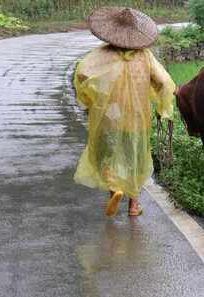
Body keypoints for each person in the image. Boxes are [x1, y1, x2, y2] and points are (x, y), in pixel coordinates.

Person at [74, 7, 176, 217]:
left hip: (109, 118)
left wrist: (92, 97)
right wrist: (162, 106)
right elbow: (165, 83)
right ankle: (133, 205)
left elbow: (82, 75)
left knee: (108, 156)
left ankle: (115, 188)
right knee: (134, 159)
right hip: (137, 119)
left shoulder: (101, 55)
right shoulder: (145, 57)